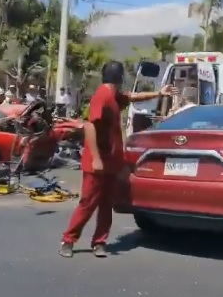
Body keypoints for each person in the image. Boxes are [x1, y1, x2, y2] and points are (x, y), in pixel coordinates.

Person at [59, 60, 176, 258]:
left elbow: (132, 98)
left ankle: (99, 242)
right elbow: (89, 127)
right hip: (98, 163)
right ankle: (68, 240)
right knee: (88, 203)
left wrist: (158, 93)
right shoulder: (102, 96)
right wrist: (96, 158)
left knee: (106, 204)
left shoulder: (114, 96)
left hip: (111, 162)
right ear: (120, 77)